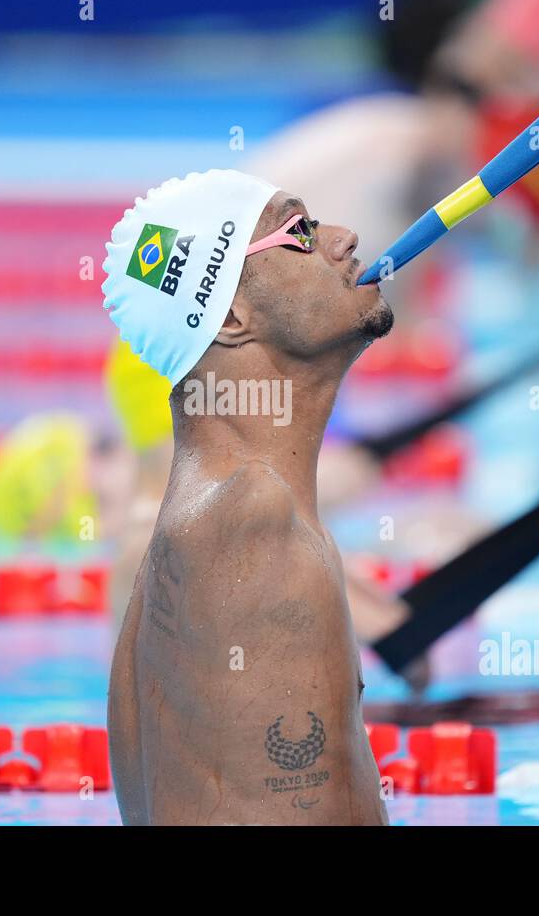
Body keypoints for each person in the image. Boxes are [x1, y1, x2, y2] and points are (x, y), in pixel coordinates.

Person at [102, 169, 393, 824]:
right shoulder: (252, 532)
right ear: (231, 314)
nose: (345, 239)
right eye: (302, 234)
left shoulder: (199, 534)